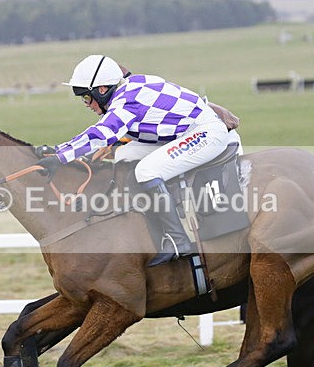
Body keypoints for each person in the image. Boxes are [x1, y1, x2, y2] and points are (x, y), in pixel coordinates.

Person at [36, 55, 236, 266]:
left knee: (146, 171)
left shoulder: (127, 101)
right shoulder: (126, 86)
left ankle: (179, 241)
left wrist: (60, 156)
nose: (87, 105)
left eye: (87, 98)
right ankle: (146, 221)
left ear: (102, 90)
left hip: (206, 133)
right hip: (183, 131)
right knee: (123, 154)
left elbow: (102, 132)